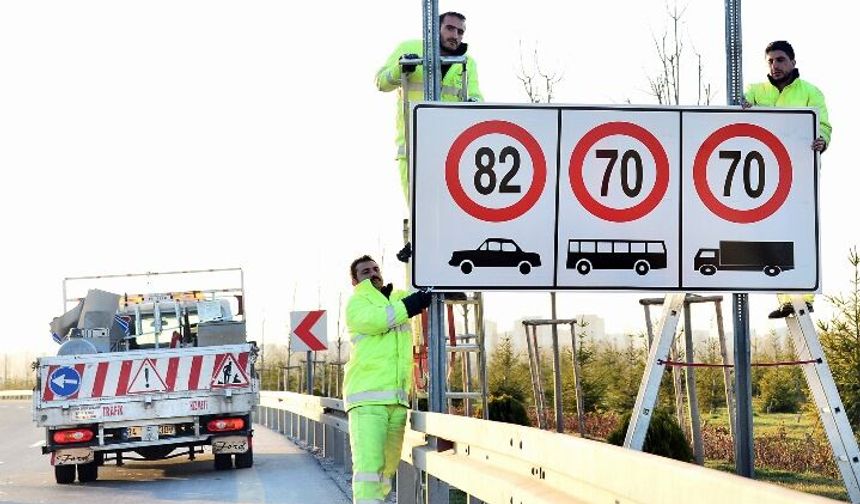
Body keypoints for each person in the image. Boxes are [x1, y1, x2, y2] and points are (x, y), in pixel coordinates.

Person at [742, 40, 831, 319]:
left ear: (792, 62)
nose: (775, 66)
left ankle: (802, 298)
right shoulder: (755, 92)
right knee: (770, 234)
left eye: (780, 60)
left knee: (800, 232)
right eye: (770, 61)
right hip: (763, 176)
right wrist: (741, 108)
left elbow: (824, 125)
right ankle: (784, 299)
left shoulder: (810, 93)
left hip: (799, 176)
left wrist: (822, 140)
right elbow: (734, 115)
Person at [343, 255, 432, 503]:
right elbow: (381, 319)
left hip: (397, 400)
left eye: (375, 268)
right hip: (367, 400)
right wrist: (414, 303)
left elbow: (421, 293)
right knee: (369, 471)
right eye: (365, 272)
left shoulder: (397, 296)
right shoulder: (357, 303)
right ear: (355, 280)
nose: (372, 273)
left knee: (385, 473)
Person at [375, 11, 483, 202]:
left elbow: (476, 97)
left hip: (452, 151)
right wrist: (401, 69)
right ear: (435, 28)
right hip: (413, 147)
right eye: (450, 28)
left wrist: (473, 104)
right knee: (420, 213)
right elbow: (381, 82)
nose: (455, 36)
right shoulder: (408, 48)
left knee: (452, 212)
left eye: (460, 32)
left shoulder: (467, 63)